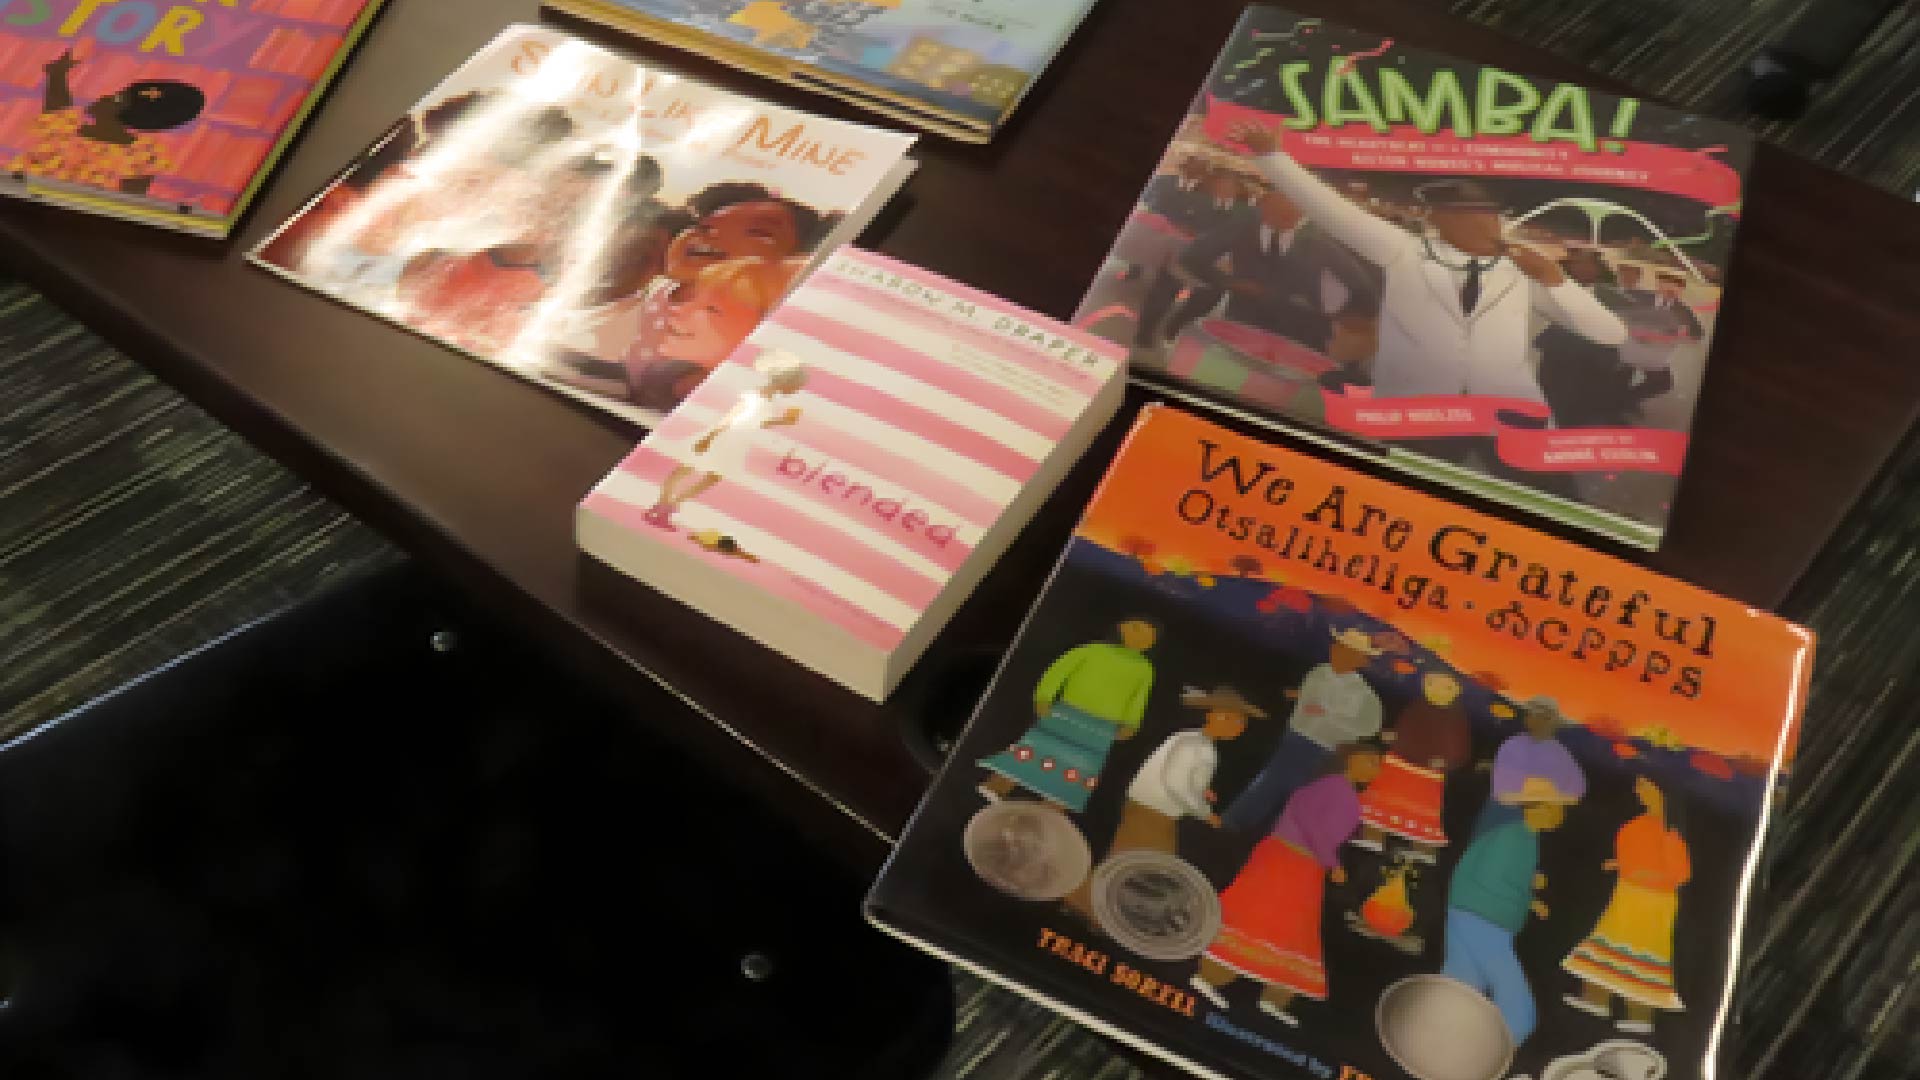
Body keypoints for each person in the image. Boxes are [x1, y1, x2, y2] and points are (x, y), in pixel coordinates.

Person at [1224, 123, 1626, 407]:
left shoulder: (1523, 272)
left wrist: (1556, 282)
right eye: (1460, 216)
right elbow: (1334, 212)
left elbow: (1611, 334)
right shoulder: (1405, 251)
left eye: (1486, 215)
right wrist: (1274, 158)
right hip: (1413, 413)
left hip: (1509, 420)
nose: (1480, 225)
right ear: (1437, 220)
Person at [1190, 744, 1385, 1026]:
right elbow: (1309, 822)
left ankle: (1275, 997)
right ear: (1348, 760)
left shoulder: (1346, 793)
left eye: (1378, 765)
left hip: (1304, 867)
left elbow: (1334, 828)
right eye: (1368, 760)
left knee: (1296, 931)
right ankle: (1211, 976)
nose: (1374, 769)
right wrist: (1332, 862)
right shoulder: (1333, 786)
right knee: (1257, 918)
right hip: (1288, 860)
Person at [1062, 686, 1259, 918]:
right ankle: (1087, 907)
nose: (1234, 726)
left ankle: (1087, 905)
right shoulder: (1193, 745)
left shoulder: (1193, 741)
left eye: (1240, 722)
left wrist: (1201, 791)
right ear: (1210, 714)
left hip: (1155, 809)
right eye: (1227, 718)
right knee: (1134, 863)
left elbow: (1182, 778)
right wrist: (1204, 812)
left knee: (1130, 861)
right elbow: (1175, 783)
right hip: (1153, 810)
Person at [1442, 761, 1586, 1045]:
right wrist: (1527, 896)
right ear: (1538, 807)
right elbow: (1494, 878)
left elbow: (1503, 877)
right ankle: (1499, 1047)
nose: (1560, 816)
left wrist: (1529, 896)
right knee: (1516, 1005)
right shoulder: (1513, 836)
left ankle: (1446, 1039)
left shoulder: (1522, 837)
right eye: (1558, 808)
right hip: (1485, 918)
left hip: (1470, 911)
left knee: (1460, 985)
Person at [1165, 188, 1382, 352]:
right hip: (1243, 324)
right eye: (1281, 206)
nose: (1289, 212)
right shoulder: (1240, 230)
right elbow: (1193, 257)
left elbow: (1365, 289)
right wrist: (1229, 282)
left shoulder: (1322, 243)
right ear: (1263, 208)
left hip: (1301, 334)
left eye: (1295, 208)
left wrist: (1350, 316)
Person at [978, 619, 1159, 813]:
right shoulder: (1092, 650)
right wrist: (1044, 697)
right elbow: (1059, 670)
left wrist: (1131, 723)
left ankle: (1051, 811)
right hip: (1064, 713)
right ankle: (997, 786)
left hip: (1100, 730)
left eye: (1148, 634)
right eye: (1136, 629)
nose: (1142, 636)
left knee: (1078, 768)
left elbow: (1139, 699)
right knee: (1035, 748)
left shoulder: (1145, 669)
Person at [1562, 775, 1691, 1033]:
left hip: (1653, 905)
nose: (1637, 790)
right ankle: (1595, 999)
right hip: (1627, 897)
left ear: (1660, 790)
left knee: (1641, 957)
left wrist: (1643, 874)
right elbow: (1635, 858)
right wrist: (1625, 867)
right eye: (1638, 784)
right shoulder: (1637, 826)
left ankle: (1639, 1016)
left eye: (1644, 784)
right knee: (1608, 945)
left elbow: (1679, 874)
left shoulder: (1670, 831)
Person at [1223, 627, 1382, 835]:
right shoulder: (1317, 673)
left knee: (1302, 796)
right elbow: (1306, 703)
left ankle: (1279, 838)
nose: (1337, 652)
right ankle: (1232, 823)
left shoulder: (1364, 694)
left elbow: (1369, 727)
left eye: (1348, 651)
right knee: (1268, 783)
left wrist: (1329, 716)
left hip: (1326, 750)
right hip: (1295, 739)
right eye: (1339, 647)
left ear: (1362, 661)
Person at [643, 352, 808, 530]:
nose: (796, 390)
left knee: (712, 477)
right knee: (686, 469)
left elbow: (755, 423)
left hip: (738, 441)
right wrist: (710, 436)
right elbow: (732, 416)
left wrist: (782, 421)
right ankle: (662, 506)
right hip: (726, 434)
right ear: (786, 381)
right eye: (796, 386)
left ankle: (669, 507)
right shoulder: (757, 394)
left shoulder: (770, 399)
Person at [12, 49, 204, 197]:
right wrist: (57, 73)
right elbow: (57, 104)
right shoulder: (69, 126)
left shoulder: (144, 153)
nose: (105, 96)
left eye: (117, 99)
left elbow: (131, 199)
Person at [1352, 669, 1472, 862]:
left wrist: (1447, 761)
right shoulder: (1416, 706)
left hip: (1425, 776)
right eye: (1432, 684)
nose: (1438, 690)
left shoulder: (1455, 717)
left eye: (1446, 687)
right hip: (1396, 767)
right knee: (1381, 803)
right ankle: (1372, 836)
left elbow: (1460, 750)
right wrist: (1394, 737)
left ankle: (1424, 850)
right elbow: (1407, 732)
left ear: (1456, 691)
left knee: (1421, 812)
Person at [1536, 249, 1659, 429]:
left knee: (1609, 385)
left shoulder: (1610, 294)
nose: (1588, 267)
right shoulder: (1556, 291)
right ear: (1569, 266)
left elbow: (1629, 323)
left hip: (1602, 359)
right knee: (1563, 402)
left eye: (1592, 262)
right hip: (1565, 357)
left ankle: (1608, 415)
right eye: (1580, 262)